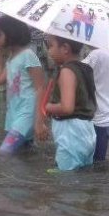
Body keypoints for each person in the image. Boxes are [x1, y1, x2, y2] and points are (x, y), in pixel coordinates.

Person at [0, 15, 47, 154]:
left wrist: (39, 121)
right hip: (14, 114)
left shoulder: (28, 55)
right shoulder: (11, 58)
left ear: (11, 34)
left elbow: (41, 87)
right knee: (23, 154)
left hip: (26, 113)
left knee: (4, 153)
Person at [43, 34, 97, 171]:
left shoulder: (67, 71)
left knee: (66, 180)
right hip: (87, 130)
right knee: (82, 174)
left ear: (65, 48)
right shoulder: (86, 69)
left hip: (71, 133)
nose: (48, 51)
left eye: (50, 46)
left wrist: (47, 107)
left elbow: (67, 107)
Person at [83, 48, 109, 162]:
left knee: (96, 160)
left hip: (101, 115)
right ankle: (101, 178)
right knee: (98, 157)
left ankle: (99, 179)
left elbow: (78, 69)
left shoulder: (96, 54)